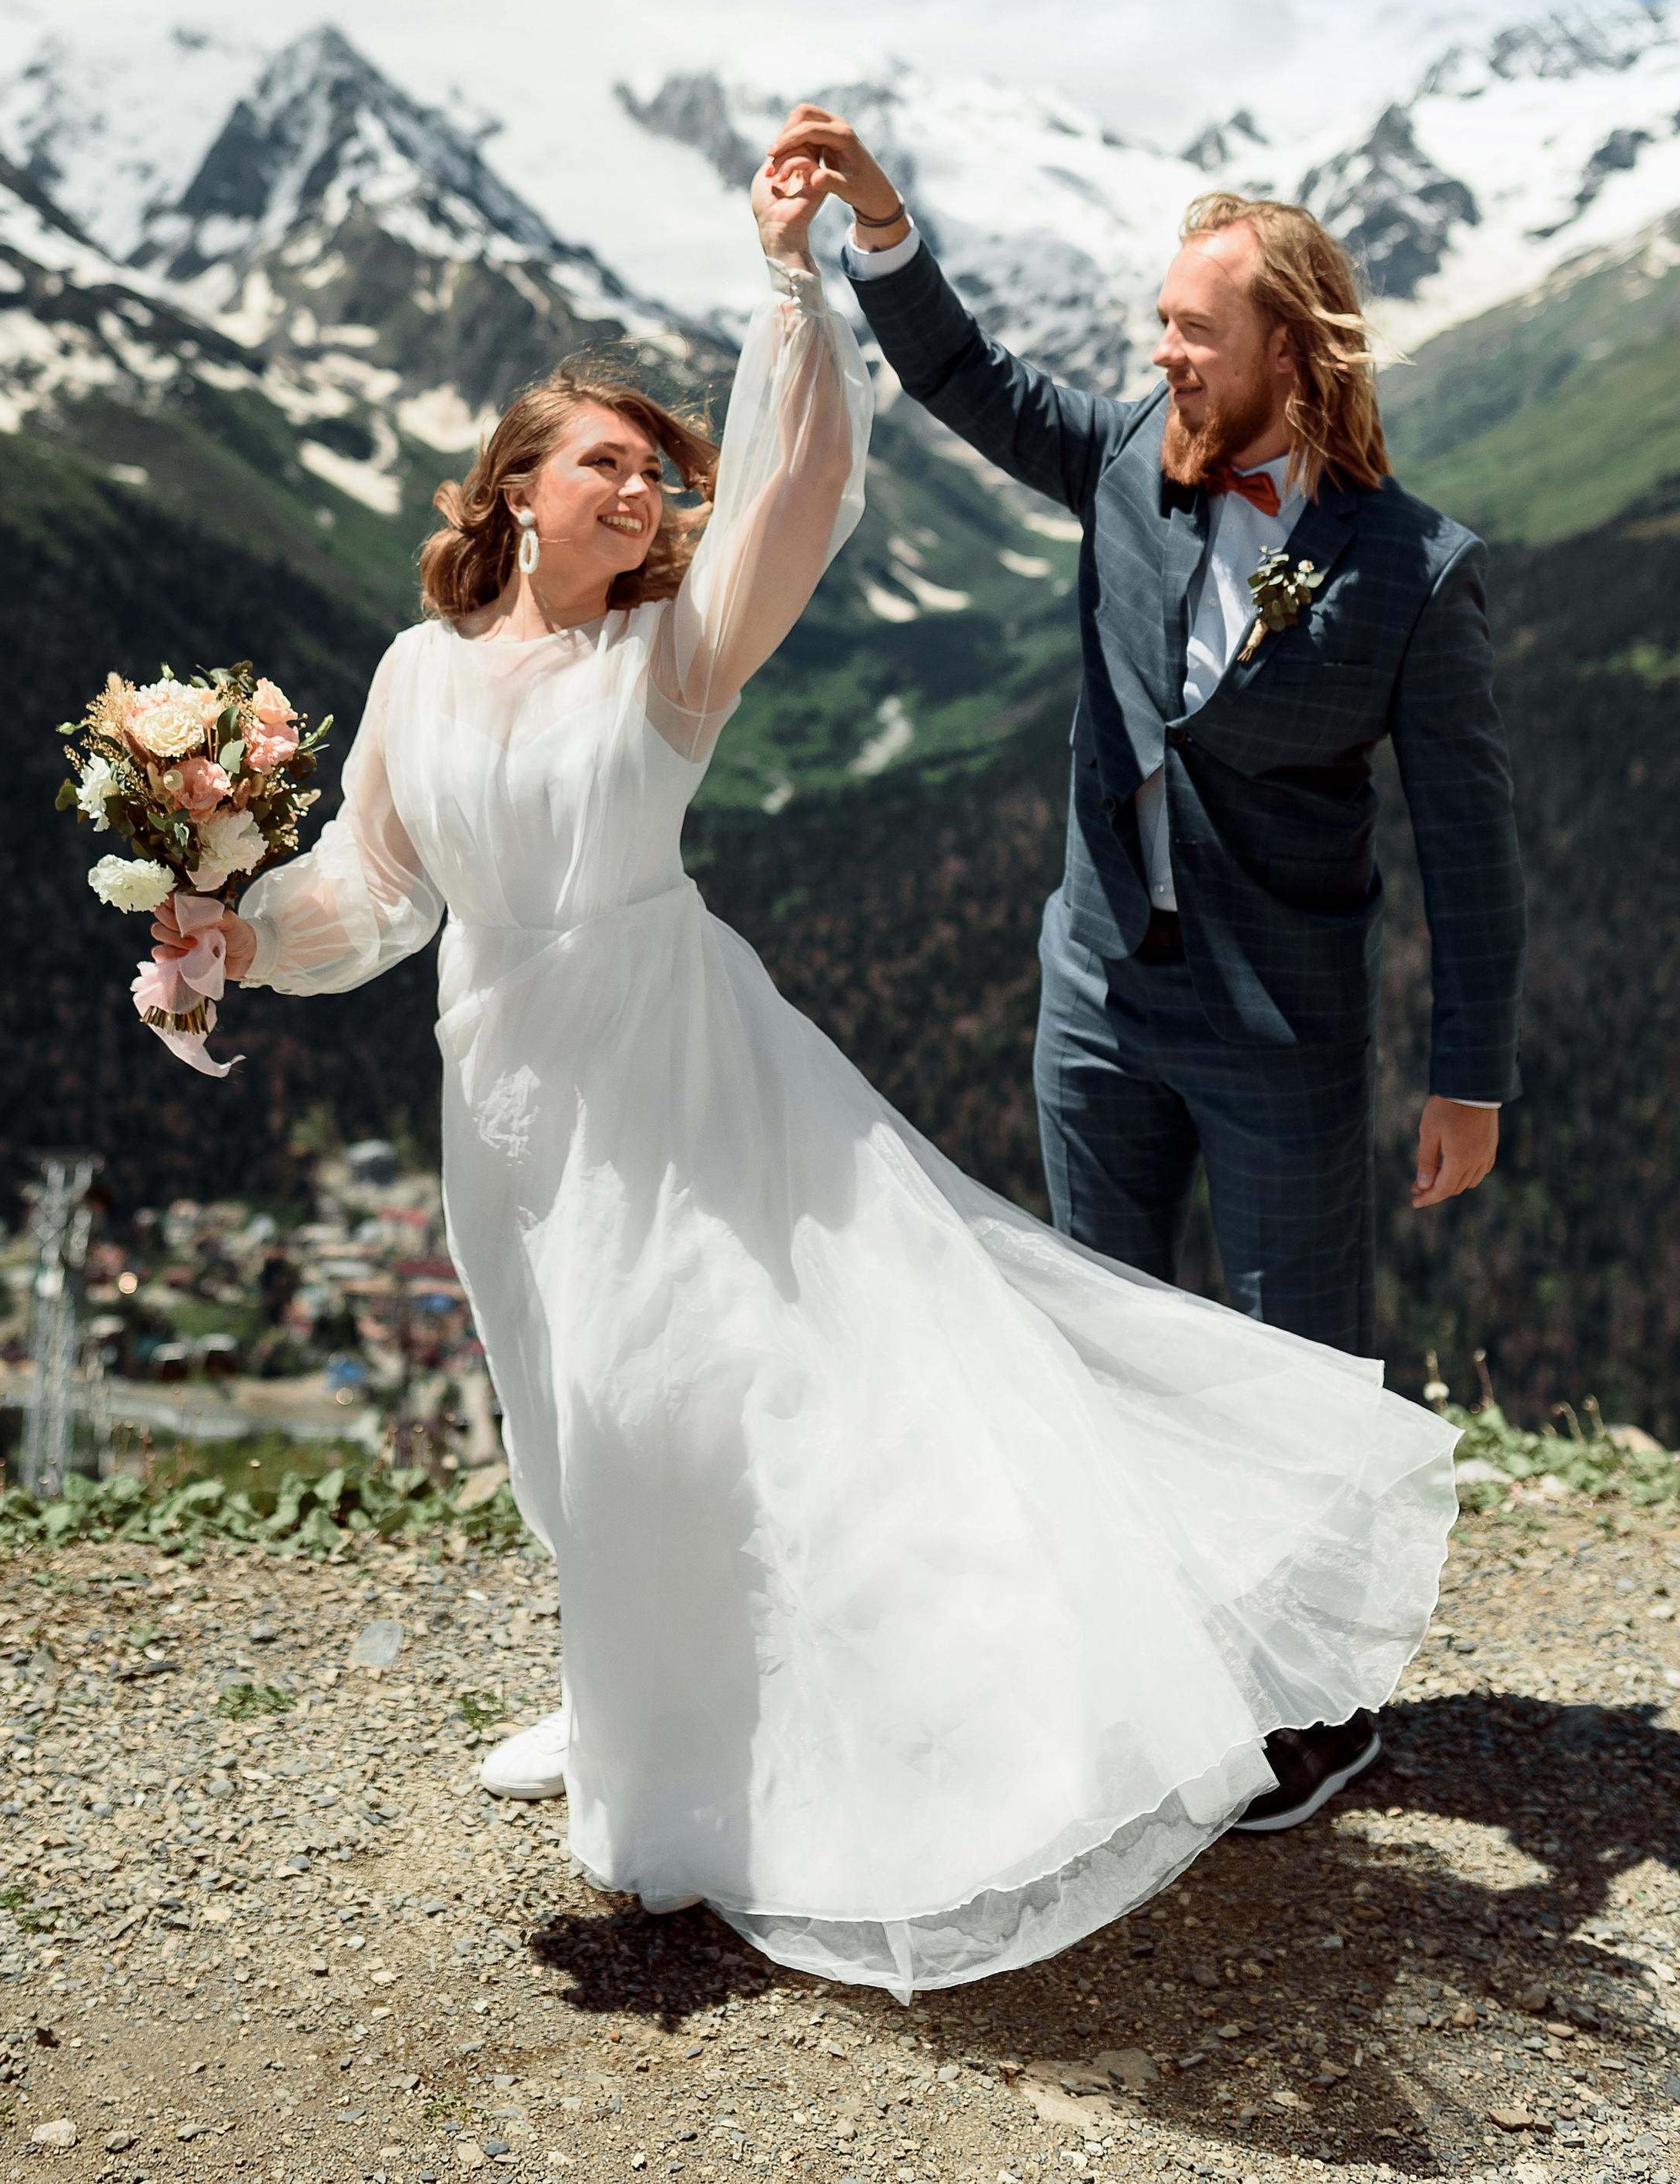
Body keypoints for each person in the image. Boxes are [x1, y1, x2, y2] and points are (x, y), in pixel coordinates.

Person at [152, 152, 1458, 1997]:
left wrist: (793, 287)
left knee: (701, 1393)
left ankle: (743, 1756)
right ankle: (633, 1695)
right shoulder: (413, 674)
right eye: (601, 461)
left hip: (671, 1053)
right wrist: (222, 931)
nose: (643, 488)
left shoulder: (672, 656)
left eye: (656, 472)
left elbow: (806, 480)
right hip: (504, 1084)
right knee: (570, 1412)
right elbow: (368, 899)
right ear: (514, 489)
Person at [762, 104, 1524, 1832]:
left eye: (1193, 330)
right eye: (1158, 327)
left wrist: (1469, 1078)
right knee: (1096, 1351)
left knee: (1288, 1375)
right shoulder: (1118, 458)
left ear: (1288, 351)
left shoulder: (1418, 576)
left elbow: (1473, 854)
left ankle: (1316, 1711)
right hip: (1095, 997)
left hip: (1280, 1032)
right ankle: (1140, 1675)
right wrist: (879, 221)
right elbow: (959, 374)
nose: (1162, 353)